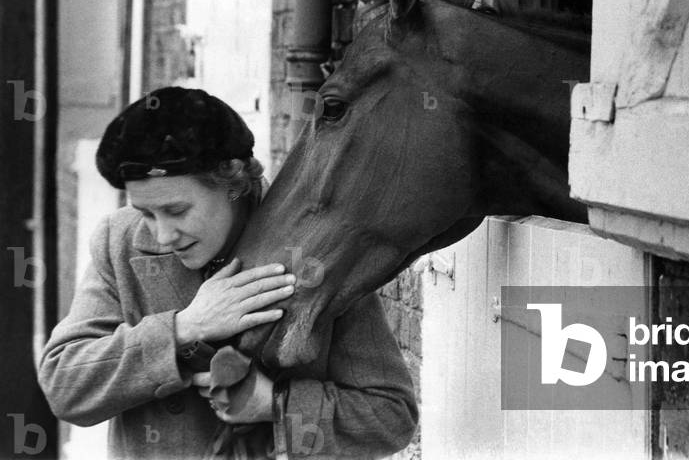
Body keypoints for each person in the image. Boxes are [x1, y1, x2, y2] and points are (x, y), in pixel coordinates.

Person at [38, 87, 417, 459]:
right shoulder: (118, 242)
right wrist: (183, 328)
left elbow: (390, 416)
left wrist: (274, 404)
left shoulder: (318, 248)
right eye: (146, 213)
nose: (162, 234)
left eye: (177, 210)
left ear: (233, 182)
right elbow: (64, 385)